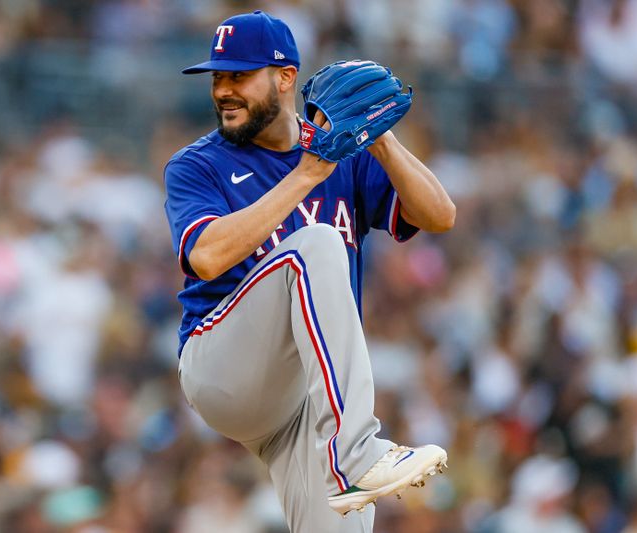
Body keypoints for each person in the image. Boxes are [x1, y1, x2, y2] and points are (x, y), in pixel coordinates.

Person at [164, 10, 455, 533]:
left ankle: (350, 459)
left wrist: (378, 135)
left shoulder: (341, 155)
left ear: (285, 78)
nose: (223, 90)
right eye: (217, 77)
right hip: (223, 366)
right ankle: (357, 454)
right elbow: (205, 256)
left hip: (301, 405)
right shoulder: (197, 164)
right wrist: (306, 175)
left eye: (238, 75)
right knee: (316, 246)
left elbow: (439, 215)